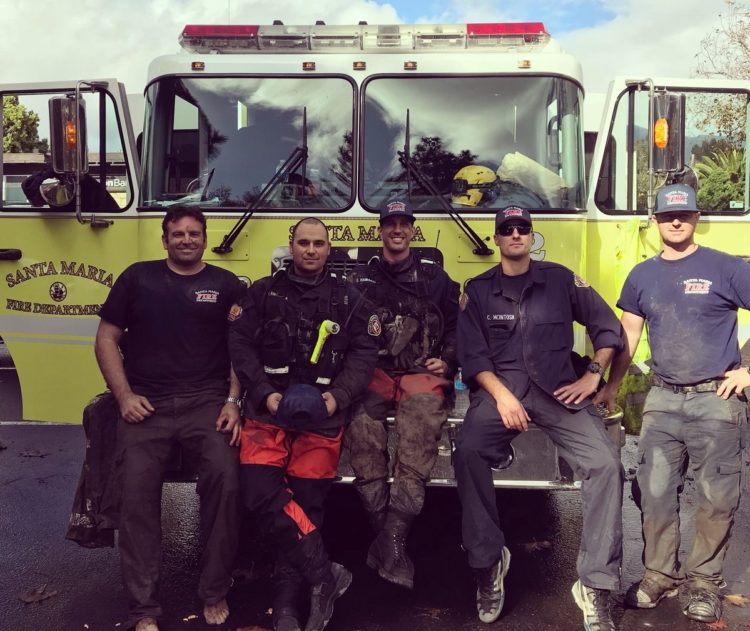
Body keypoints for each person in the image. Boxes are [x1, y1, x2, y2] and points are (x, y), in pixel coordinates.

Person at [454, 205, 625, 629]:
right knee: (468, 451)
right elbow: (473, 358)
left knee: (605, 465)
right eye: (507, 229)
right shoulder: (477, 291)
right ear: (496, 239)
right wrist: (502, 397)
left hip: (558, 392)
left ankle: (595, 584)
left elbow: (608, 328)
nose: (515, 235)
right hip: (501, 393)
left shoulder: (561, 280)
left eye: (522, 229)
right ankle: (489, 563)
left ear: (532, 236)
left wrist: (593, 375)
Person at [595, 183, 750, 624]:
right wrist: (611, 385)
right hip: (663, 398)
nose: (676, 222)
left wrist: (748, 370)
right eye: (667, 216)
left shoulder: (726, 268)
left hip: (717, 398)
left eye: (683, 215)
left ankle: (704, 581)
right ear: (656, 221)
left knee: (715, 496)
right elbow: (629, 336)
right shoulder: (642, 275)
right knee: (655, 491)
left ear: (697, 218)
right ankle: (659, 574)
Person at [94, 206, 244, 631]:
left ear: (205, 238)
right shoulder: (136, 279)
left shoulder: (225, 284)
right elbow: (106, 338)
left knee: (226, 478)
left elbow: (241, 349)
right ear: (164, 240)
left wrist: (234, 401)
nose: (185, 240)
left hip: (206, 402)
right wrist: (123, 396)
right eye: (176, 234)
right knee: (135, 494)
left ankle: (214, 589)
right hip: (149, 405)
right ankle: (143, 609)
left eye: (193, 233)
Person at [229, 217, 378, 631]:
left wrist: (338, 397)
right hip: (267, 414)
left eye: (318, 244)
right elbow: (239, 344)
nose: (311, 250)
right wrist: (263, 392)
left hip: (322, 420)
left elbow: (364, 355)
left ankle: (288, 609)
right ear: (290, 246)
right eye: (303, 243)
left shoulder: (350, 301)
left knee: (306, 507)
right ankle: (326, 575)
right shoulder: (262, 293)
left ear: (329, 249)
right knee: (260, 495)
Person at [345, 199, 459, 589]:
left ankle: (393, 536)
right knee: (360, 427)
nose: (397, 230)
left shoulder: (436, 279)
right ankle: (389, 539)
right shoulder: (360, 280)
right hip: (374, 373)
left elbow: (459, 326)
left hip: (419, 374)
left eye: (403, 224)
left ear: (413, 230)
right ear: (380, 231)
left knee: (422, 427)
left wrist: (446, 360)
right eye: (389, 224)